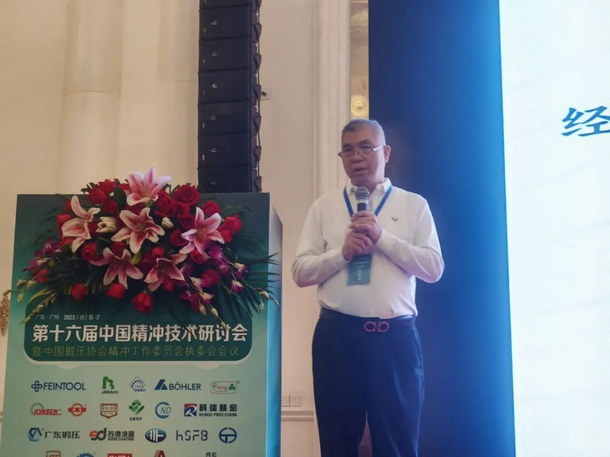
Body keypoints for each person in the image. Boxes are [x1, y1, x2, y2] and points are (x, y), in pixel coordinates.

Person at [291, 119, 444, 457]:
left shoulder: (413, 205)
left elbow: (433, 268)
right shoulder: (324, 207)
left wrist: (382, 238)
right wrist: (342, 254)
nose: (356, 157)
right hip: (337, 337)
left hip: (394, 338)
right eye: (348, 150)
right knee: (337, 441)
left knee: (398, 442)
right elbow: (300, 272)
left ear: (385, 152)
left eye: (365, 148)